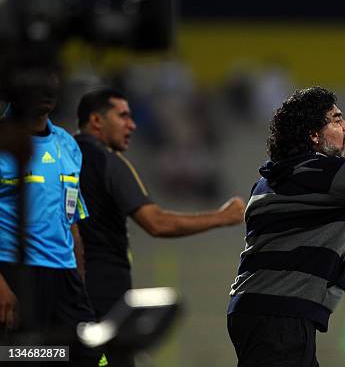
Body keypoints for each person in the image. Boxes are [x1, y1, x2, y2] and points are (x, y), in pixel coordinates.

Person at [227, 74, 345, 366]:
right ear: (313, 135)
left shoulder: (275, 178)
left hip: (264, 311)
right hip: (280, 316)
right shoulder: (315, 173)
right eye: (335, 120)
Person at [74, 87, 246, 366]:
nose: (132, 124)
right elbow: (156, 223)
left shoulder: (59, 156)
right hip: (103, 296)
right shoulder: (109, 162)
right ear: (96, 121)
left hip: (63, 292)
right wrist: (222, 217)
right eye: (122, 116)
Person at [0, 64, 100, 366]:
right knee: (21, 358)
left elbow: (72, 223)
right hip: (15, 276)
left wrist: (78, 285)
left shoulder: (67, 145)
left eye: (52, 80)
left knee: (87, 359)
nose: (46, 89)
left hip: (65, 282)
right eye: (37, 80)